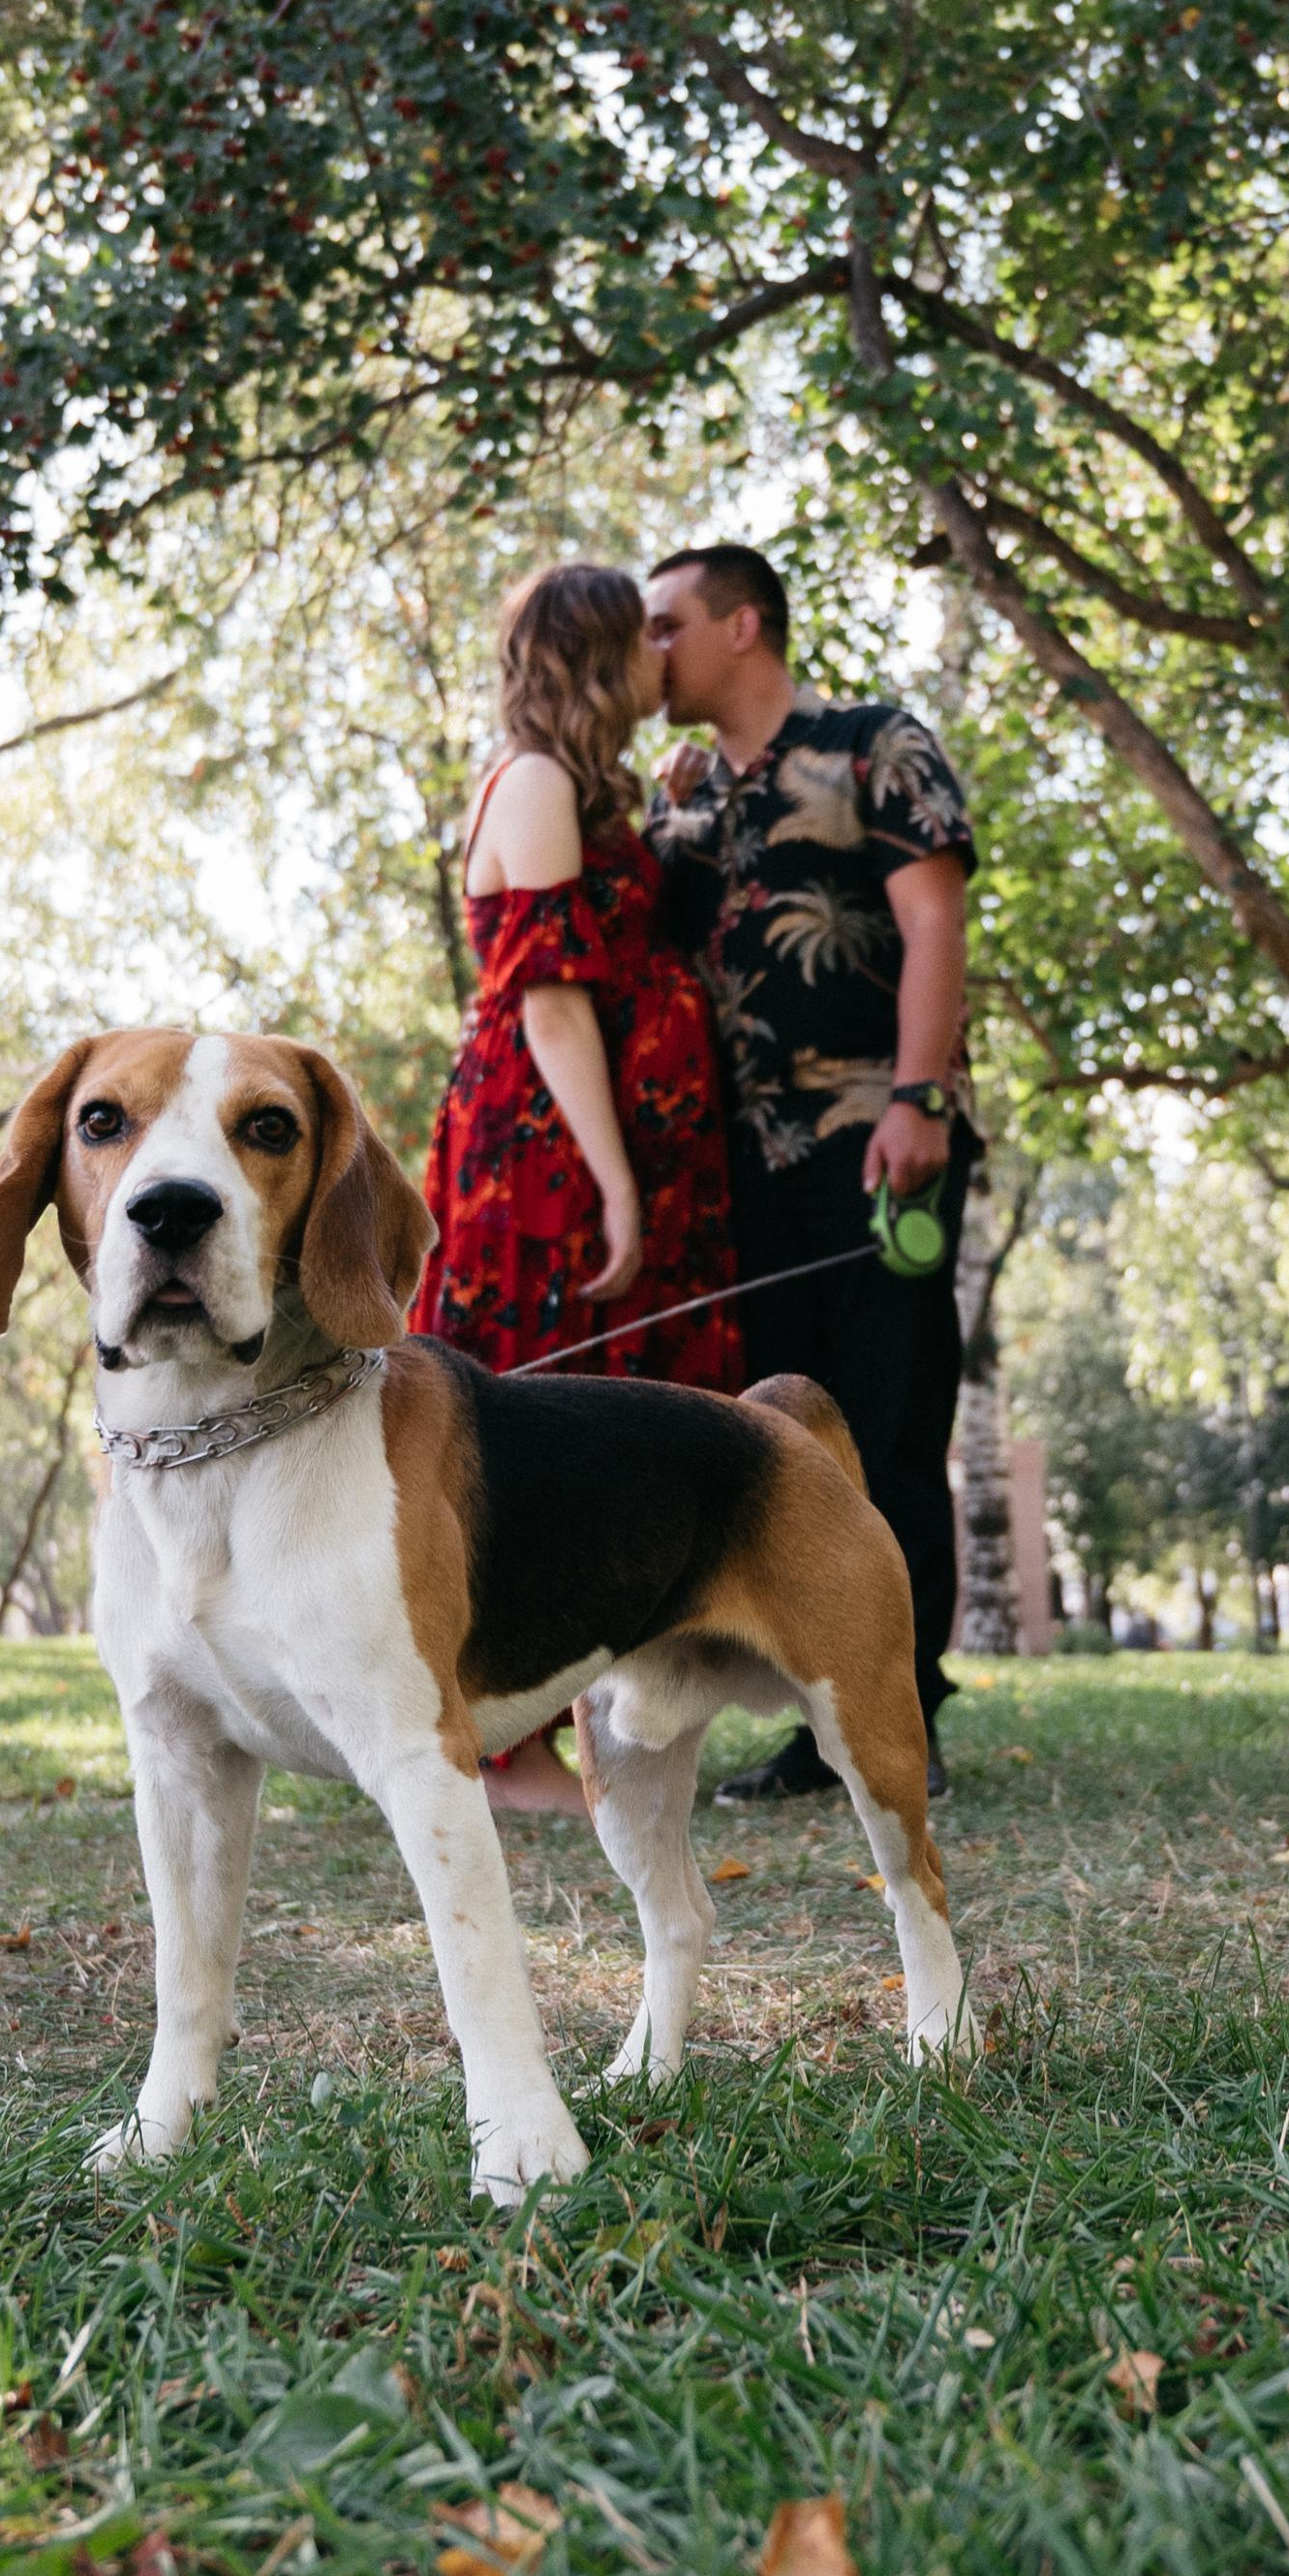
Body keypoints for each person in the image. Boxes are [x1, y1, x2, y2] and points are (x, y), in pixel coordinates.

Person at [644, 543, 976, 1803]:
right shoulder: (680, 797)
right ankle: (818, 1716)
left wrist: (917, 1098)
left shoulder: (873, 744)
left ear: (742, 626)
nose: (650, 649)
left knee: (889, 1430)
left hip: (876, 1145)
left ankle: (907, 1715)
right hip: (734, 1176)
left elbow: (933, 918)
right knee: (786, 1447)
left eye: (666, 623)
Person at [412, 560, 744, 1814]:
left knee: (612, 1413)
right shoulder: (538, 780)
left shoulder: (579, 784)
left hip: (593, 1139)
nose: (667, 656)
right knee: (532, 1420)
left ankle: (599, 1726)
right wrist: (614, 1183)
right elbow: (551, 1005)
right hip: (543, 1150)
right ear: (602, 657)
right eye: (645, 638)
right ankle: (508, 1750)